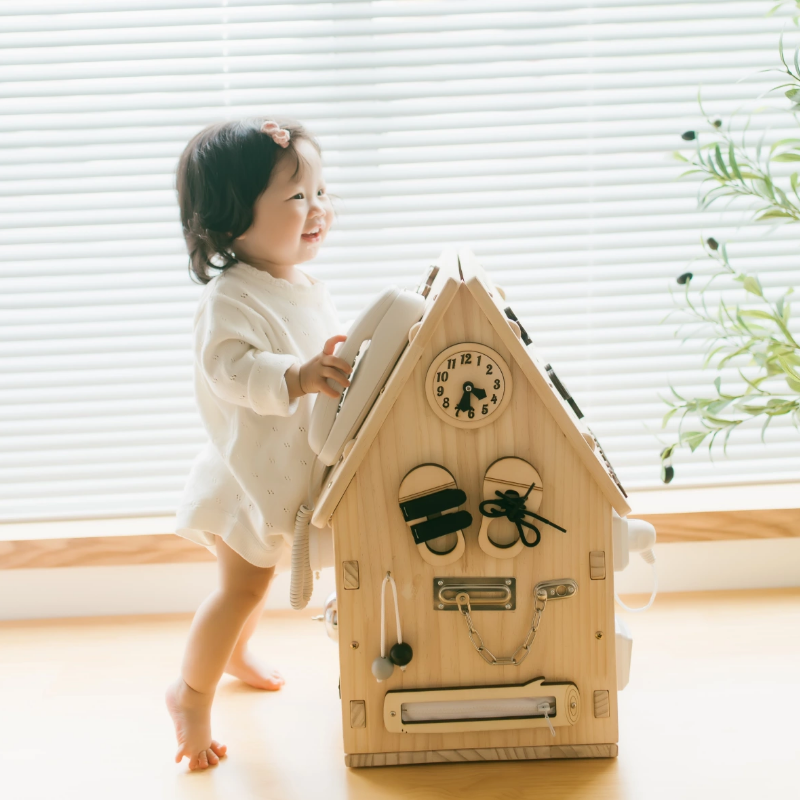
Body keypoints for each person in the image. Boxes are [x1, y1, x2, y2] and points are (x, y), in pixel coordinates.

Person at [165, 118, 353, 771]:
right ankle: (189, 696)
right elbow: (231, 370)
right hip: (246, 480)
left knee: (256, 580)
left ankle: (237, 654)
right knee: (240, 591)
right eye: (297, 196)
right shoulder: (230, 297)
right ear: (231, 218)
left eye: (321, 191)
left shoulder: (301, 284)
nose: (318, 208)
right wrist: (298, 375)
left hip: (279, 473)